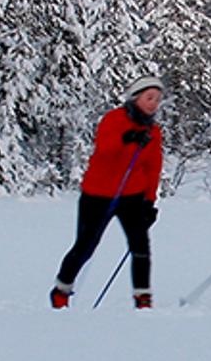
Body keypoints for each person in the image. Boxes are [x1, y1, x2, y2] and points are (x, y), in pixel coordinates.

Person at [53, 75, 169, 309]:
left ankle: (143, 297)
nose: (153, 104)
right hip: (98, 194)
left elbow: (153, 167)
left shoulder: (153, 131)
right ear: (135, 98)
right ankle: (61, 290)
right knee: (86, 245)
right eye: (149, 98)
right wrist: (127, 139)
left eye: (157, 100)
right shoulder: (114, 119)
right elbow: (104, 151)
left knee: (140, 247)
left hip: (133, 195)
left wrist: (149, 201)